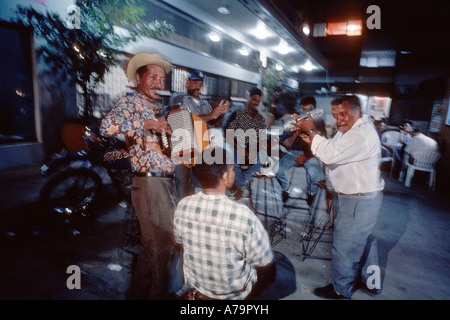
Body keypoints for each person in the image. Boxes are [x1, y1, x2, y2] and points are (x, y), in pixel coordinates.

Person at [100, 52, 179, 299]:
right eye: (152, 77)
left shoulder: (158, 109)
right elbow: (106, 127)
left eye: (162, 79)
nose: (159, 83)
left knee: (151, 246)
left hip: (165, 183)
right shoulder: (131, 104)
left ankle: (136, 294)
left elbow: (168, 148)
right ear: (138, 78)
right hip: (149, 183)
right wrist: (146, 125)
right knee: (162, 247)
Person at [294, 95, 385, 299]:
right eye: (335, 115)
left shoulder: (360, 134)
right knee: (360, 240)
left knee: (345, 244)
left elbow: (331, 155)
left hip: (358, 199)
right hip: (359, 197)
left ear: (357, 111)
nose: (339, 120)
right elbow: (332, 150)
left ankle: (340, 289)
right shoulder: (349, 131)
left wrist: (310, 131)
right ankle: (369, 281)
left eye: (343, 114)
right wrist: (312, 138)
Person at [173, 146, 274, 300]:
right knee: (271, 269)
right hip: (233, 296)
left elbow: (179, 241)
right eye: (232, 169)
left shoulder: (183, 205)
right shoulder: (242, 215)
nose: (234, 173)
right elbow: (264, 261)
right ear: (225, 176)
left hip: (197, 291)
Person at [169, 70, 230, 203]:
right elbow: (185, 121)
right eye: (195, 82)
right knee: (183, 191)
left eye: (200, 83)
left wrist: (221, 113)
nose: (198, 86)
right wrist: (211, 115)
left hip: (202, 152)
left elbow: (213, 124)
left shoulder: (205, 104)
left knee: (204, 188)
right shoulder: (179, 99)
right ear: (188, 82)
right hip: (185, 153)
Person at [276, 96, 326, 206]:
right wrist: (293, 134)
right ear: (300, 108)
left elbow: (323, 144)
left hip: (312, 155)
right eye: (304, 109)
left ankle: (311, 193)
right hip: (294, 152)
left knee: (315, 176)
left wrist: (306, 156)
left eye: (309, 109)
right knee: (277, 170)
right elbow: (284, 140)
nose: (306, 112)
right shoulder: (295, 119)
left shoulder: (319, 122)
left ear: (314, 108)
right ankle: (286, 189)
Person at [225, 87, 268, 200]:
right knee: (234, 163)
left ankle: (242, 183)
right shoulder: (237, 113)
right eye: (254, 99)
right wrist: (240, 149)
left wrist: (252, 151)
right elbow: (227, 134)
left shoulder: (260, 119)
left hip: (250, 148)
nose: (256, 103)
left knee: (262, 161)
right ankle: (243, 187)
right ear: (249, 99)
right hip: (235, 145)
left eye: (259, 101)